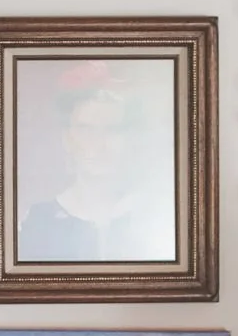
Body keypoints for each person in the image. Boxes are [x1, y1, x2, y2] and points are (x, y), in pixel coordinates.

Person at [18, 68, 174, 263]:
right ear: (67, 139)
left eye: (112, 130)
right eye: (86, 130)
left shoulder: (155, 214)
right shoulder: (39, 222)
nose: (100, 144)